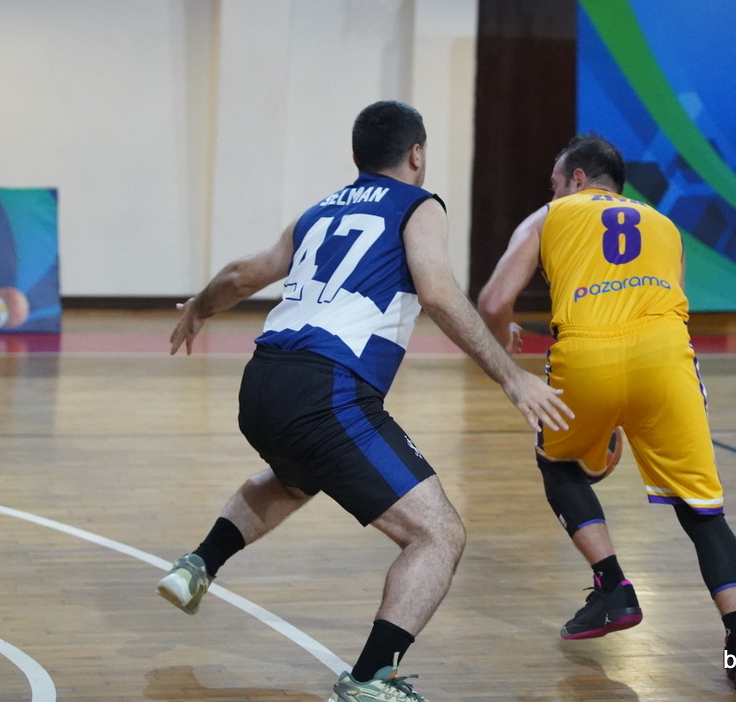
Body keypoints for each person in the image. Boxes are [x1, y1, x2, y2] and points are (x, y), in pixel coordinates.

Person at [158, 101, 572, 702]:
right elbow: (438, 293)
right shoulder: (418, 205)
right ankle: (370, 680)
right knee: (438, 536)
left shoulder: (319, 211)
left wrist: (199, 306)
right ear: (416, 154)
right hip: (328, 389)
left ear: (357, 157)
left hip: (262, 381)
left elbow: (245, 275)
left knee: (299, 477)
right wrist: (511, 377)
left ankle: (199, 563)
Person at [477, 134, 736, 693]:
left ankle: (612, 586)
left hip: (586, 355)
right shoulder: (665, 225)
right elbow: (673, 302)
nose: (552, 192)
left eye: (555, 182)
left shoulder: (550, 215)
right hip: (666, 360)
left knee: (559, 466)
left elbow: (492, 302)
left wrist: (503, 335)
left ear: (577, 179)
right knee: (702, 509)